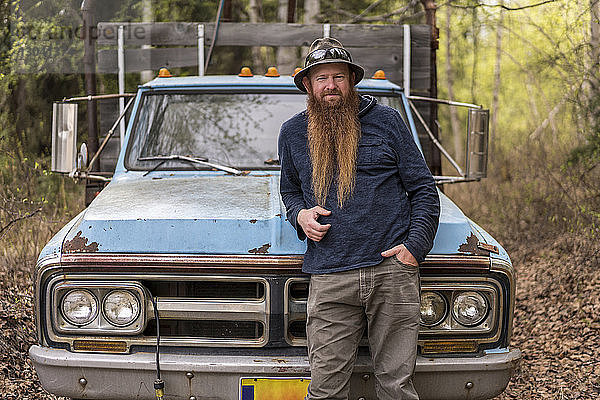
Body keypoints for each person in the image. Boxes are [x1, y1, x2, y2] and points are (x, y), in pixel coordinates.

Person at [278, 37, 440, 400]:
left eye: (338, 77)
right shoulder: (292, 132)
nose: (330, 86)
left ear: (352, 81)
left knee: (396, 386)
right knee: (325, 390)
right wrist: (299, 215)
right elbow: (289, 190)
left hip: (391, 274)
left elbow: (423, 190)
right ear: (308, 85)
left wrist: (414, 248)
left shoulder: (387, 122)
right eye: (321, 79)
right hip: (330, 275)